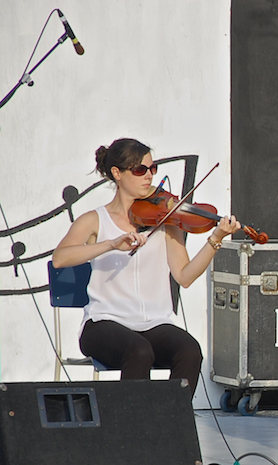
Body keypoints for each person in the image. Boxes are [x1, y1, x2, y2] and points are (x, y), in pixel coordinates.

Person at [52, 138, 241, 395]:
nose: (149, 176)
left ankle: (173, 426)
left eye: (152, 169)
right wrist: (110, 244)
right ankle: (129, 431)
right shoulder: (95, 220)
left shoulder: (166, 219)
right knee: (138, 351)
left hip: (153, 322)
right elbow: (61, 258)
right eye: (140, 170)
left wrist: (215, 239)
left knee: (189, 350)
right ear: (117, 174)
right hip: (104, 322)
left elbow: (184, 276)